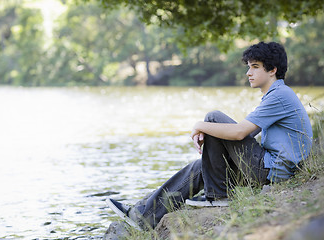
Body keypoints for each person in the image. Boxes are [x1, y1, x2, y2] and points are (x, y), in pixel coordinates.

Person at [106, 41, 313, 231]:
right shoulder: (275, 95)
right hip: (268, 169)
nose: (248, 72)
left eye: (255, 67)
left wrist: (201, 125)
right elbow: (246, 132)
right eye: (248, 67)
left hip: (271, 171)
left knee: (213, 117)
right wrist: (211, 133)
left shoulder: (279, 96)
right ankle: (144, 216)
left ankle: (218, 195)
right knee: (199, 167)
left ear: (272, 70)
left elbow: (240, 132)